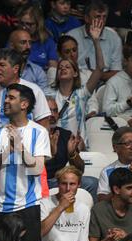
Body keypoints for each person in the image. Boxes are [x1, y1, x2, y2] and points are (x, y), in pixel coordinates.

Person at [0, 83, 51, 241]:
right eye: (5, 97)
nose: (5, 101)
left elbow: (37, 169)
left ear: (24, 104)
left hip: (27, 208)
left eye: (11, 98)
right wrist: (7, 151)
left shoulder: (39, 132)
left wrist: (20, 147)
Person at [53, 17, 104, 146]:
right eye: (60, 67)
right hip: (56, 148)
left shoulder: (82, 94)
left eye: (67, 67)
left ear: (75, 73)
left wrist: (96, 41)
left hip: (77, 148)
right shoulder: (49, 95)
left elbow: (100, 68)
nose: (63, 68)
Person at [0, 48, 50, 132]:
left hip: (26, 143)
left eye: (2, 65)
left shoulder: (33, 90)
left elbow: (43, 124)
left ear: (15, 69)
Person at [41, 166, 91, 241]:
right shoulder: (45, 203)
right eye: (64, 184)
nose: (68, 189)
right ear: (58, 184)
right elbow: (40, 232)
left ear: (78, 185)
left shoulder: (83, 209)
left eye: (72, 184)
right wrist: (60, 207)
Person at [66, 0, 122, 82]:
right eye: (98, 17)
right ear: (87, 18)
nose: (102, 20)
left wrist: (96, 76)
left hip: (105, 82)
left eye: (104, 17)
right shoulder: (71, 36)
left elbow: (116, 71)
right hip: (78, 80)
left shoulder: (114, 37)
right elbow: (65, 66)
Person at [16, 4, 59, 71]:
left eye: (29, 24)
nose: (24, 27)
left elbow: (53, 70)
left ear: (38, 24)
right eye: (22, 23)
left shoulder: (48, 42)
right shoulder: (14, 38)